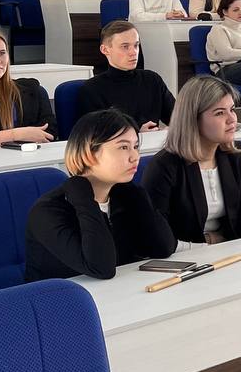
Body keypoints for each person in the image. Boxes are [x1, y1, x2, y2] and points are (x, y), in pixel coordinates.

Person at [24, 109, 176, 281]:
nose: (135, 157)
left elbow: (164, 247)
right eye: (123, 147)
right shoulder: (47, 212)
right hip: (62, 297)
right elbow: (101, 268)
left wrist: (137, 194)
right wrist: (85, 198)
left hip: (119, 292)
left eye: (135, 147)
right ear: (89, 154)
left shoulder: (125, 196)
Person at [142, 75, 241, 249]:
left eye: (232, 109)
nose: (232, 119)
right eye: (220, 113)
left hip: (230, 251)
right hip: (185, 257)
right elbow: (157, 238)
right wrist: (208, 244)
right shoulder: (164, 166)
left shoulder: (234, 154)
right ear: (193, 119)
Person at [75, 21, 175, 130]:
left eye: (136, 45)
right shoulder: (93, 89)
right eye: (125, 47)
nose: (134, 52)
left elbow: (179, 117)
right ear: (105, 50)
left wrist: (174, 129)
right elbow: (97, 134)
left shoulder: (152, 80)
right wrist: (137, 133)